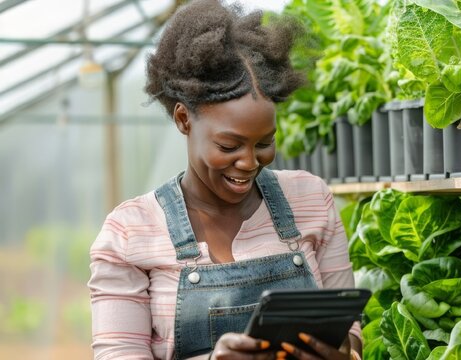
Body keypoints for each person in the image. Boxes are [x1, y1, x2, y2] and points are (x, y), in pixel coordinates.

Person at [87, 1, 361, 359]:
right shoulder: (130, 232)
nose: (249, 162)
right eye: (229, 145)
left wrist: (344, 353)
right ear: (184, 119)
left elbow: (350, 332)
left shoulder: (310, 199)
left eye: (264, 143)